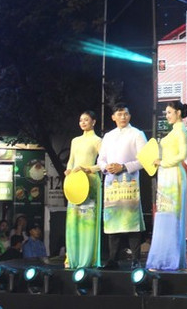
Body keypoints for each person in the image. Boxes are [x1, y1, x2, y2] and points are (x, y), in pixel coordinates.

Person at [97, 102, 148, 269]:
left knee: (131, 222)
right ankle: (113, 259)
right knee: (113, 222)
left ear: (130, 116)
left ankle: (135, 259)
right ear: (113, 117)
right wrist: (106, 167)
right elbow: (101, 159)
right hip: (112, 182)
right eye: (119, 114)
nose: (123, 117)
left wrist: (124, 166)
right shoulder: (108, 136)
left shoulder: (137, 134)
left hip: (129, 182)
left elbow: (144, 159)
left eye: (125, 114)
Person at [146, 100, 187, 271]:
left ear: (178, 113)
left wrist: (163, 162)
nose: (167, 116)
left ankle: (170, 258)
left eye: (170, 112)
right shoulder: (174, 131)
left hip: (173, 174)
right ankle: (163, 257)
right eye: (166, 113)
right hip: (165, 174)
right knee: (164, 214)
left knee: (172, 216)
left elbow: (182, 155)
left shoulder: (181, 130)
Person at [65, 109, 103, 268]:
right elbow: (71, 161)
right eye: (81, 120)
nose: (83, 123)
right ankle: (72, 257)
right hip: (75, 182)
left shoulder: (98, 140)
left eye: (86, 120)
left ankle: (88, 259)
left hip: (90, 182)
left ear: (93, 122)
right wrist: (68, 172)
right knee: (74, 220)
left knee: (88, 221)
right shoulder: (75, 140)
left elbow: (103, 164)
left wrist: (88, 169)